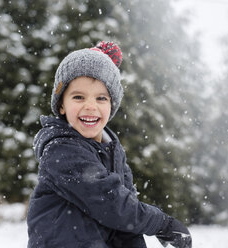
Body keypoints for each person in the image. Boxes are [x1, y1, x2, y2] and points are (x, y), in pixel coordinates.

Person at [27, 41, 192, 248]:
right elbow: (112, 203)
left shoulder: (113, 151)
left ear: (111, 105)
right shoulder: (61, 149)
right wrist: (161, 223)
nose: (90, 106)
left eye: (101, 98)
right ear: (61, 104)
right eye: (78, 97)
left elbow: (124, 226)